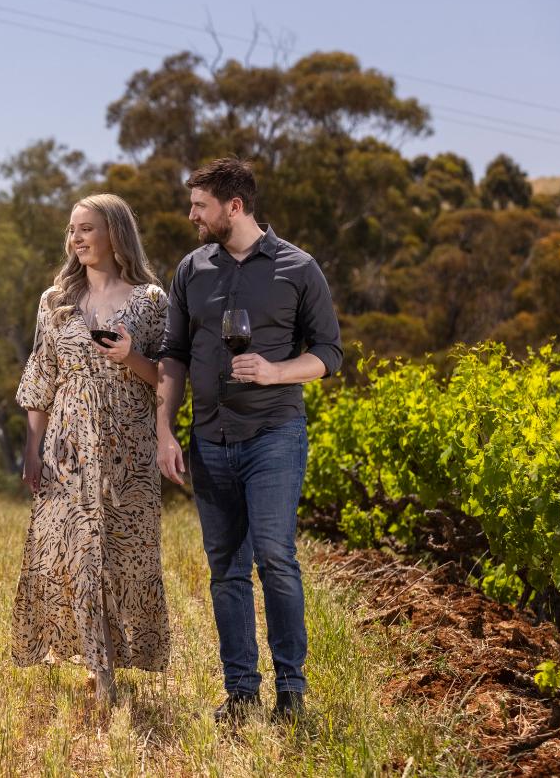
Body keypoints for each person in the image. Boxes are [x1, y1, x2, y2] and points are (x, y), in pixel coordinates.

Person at [155, 157, 342, 724]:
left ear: (233, 207)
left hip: (273, 436)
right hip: (210, 438)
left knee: (276, 560)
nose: (192, 215)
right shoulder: (192, 269)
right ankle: (240, 693)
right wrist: (164, 430)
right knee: (225, 570)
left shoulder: (297, 267)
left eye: (200, 206)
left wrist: (276, 371)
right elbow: (174, 354)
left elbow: (329, 355)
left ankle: (291, 691)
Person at [13, 193, 170, 707]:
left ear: (115, 234)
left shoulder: (150, 300)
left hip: (130, 446)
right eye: (72, 229)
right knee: (75, 552)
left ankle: (112, 658)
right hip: (66, 444)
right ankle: (97, 669)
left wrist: (133, 357)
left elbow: (168, 380)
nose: (76, 238)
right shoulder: (54, 300)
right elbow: (42, 377)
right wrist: (32, 447)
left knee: (123, 556)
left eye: (87, 229)